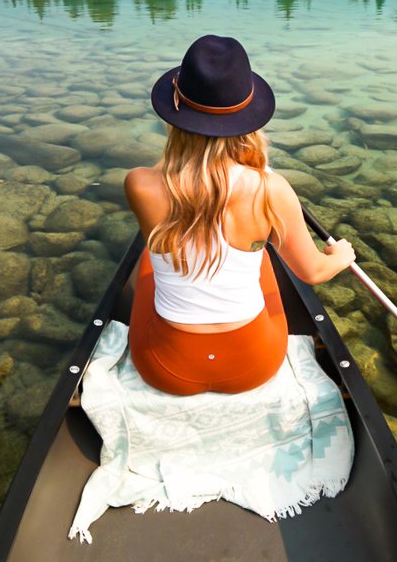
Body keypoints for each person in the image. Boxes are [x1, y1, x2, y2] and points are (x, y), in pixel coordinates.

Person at [124, 34, 356, 396]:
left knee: (149, 261)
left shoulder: (139, 184)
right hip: (253, 366)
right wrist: (341, 256)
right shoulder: (271, 189)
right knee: (261, 256)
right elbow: (312, 272)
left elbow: (179, 181)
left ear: (174, 116)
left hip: (166, 369)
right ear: (249, 118)